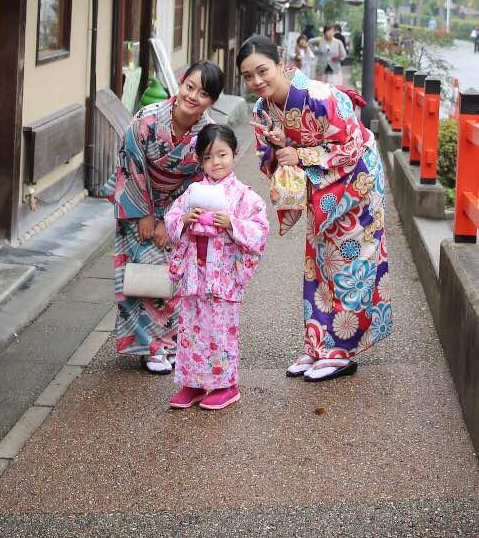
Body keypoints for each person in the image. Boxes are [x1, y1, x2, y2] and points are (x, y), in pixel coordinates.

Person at [238, 34, 392, 383]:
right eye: (248, 76)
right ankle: (320, 344)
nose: (257, 81)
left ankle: (342, 351)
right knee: (319, 261)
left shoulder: (320, 96)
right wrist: (280, 146)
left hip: (358, 182)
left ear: (280, 64)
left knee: (350, 261)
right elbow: (272, 156)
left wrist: (302, 154)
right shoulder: (263, 109)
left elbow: (351, 144)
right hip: (321, 185)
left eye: (263, 71)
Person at [106, 60, 224, 374]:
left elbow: (202, 179)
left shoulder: (206, 134)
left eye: (204, 94)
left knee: (175, 272)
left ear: (212, 100)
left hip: (179, 206)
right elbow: (130, 164)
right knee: (142, 270)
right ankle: (149, 347)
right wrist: (145, 215)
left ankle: (169, 343)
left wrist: (171, 219)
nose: (193, 96)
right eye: (190, 87)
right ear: (181, 83)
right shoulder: (147, 119)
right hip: (138, 201)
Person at [164, 125, 269, 409]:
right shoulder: (193, 192)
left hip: (223, 276)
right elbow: (171, 217)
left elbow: (260, 229)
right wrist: (185, 220)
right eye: (208, 157)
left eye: (222, 154)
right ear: (200, 161)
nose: (216, 162)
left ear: (234, 154)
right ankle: (191, 383)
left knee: (220, 332)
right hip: (194, 275)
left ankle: (225, 385)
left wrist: (231, 224)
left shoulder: (245, 196)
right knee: (190, 329)